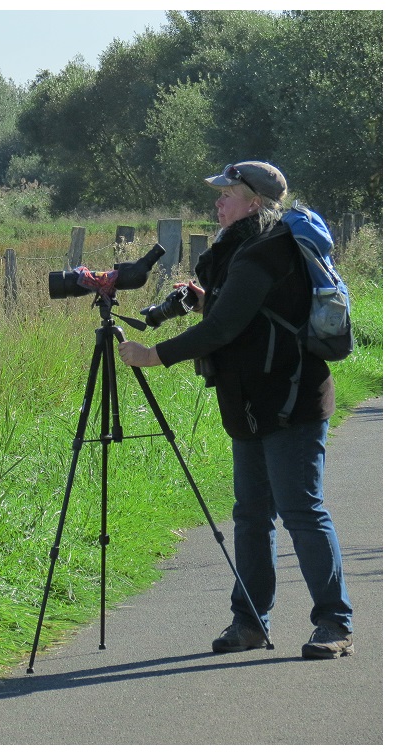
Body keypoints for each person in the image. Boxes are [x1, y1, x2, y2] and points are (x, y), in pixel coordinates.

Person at [118, 161, 353, 660]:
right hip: (250, 402)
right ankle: (249, 623)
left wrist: (152, 355)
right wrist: (208, 298)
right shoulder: (245, 249)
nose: (218, 202)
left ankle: (334, 623)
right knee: (250, 516)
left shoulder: (265, 252)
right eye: (220, 194)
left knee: (301, 511)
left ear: (254, 201)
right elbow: (245, 317)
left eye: (227, 194)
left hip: (292, 400)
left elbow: (222, 329)